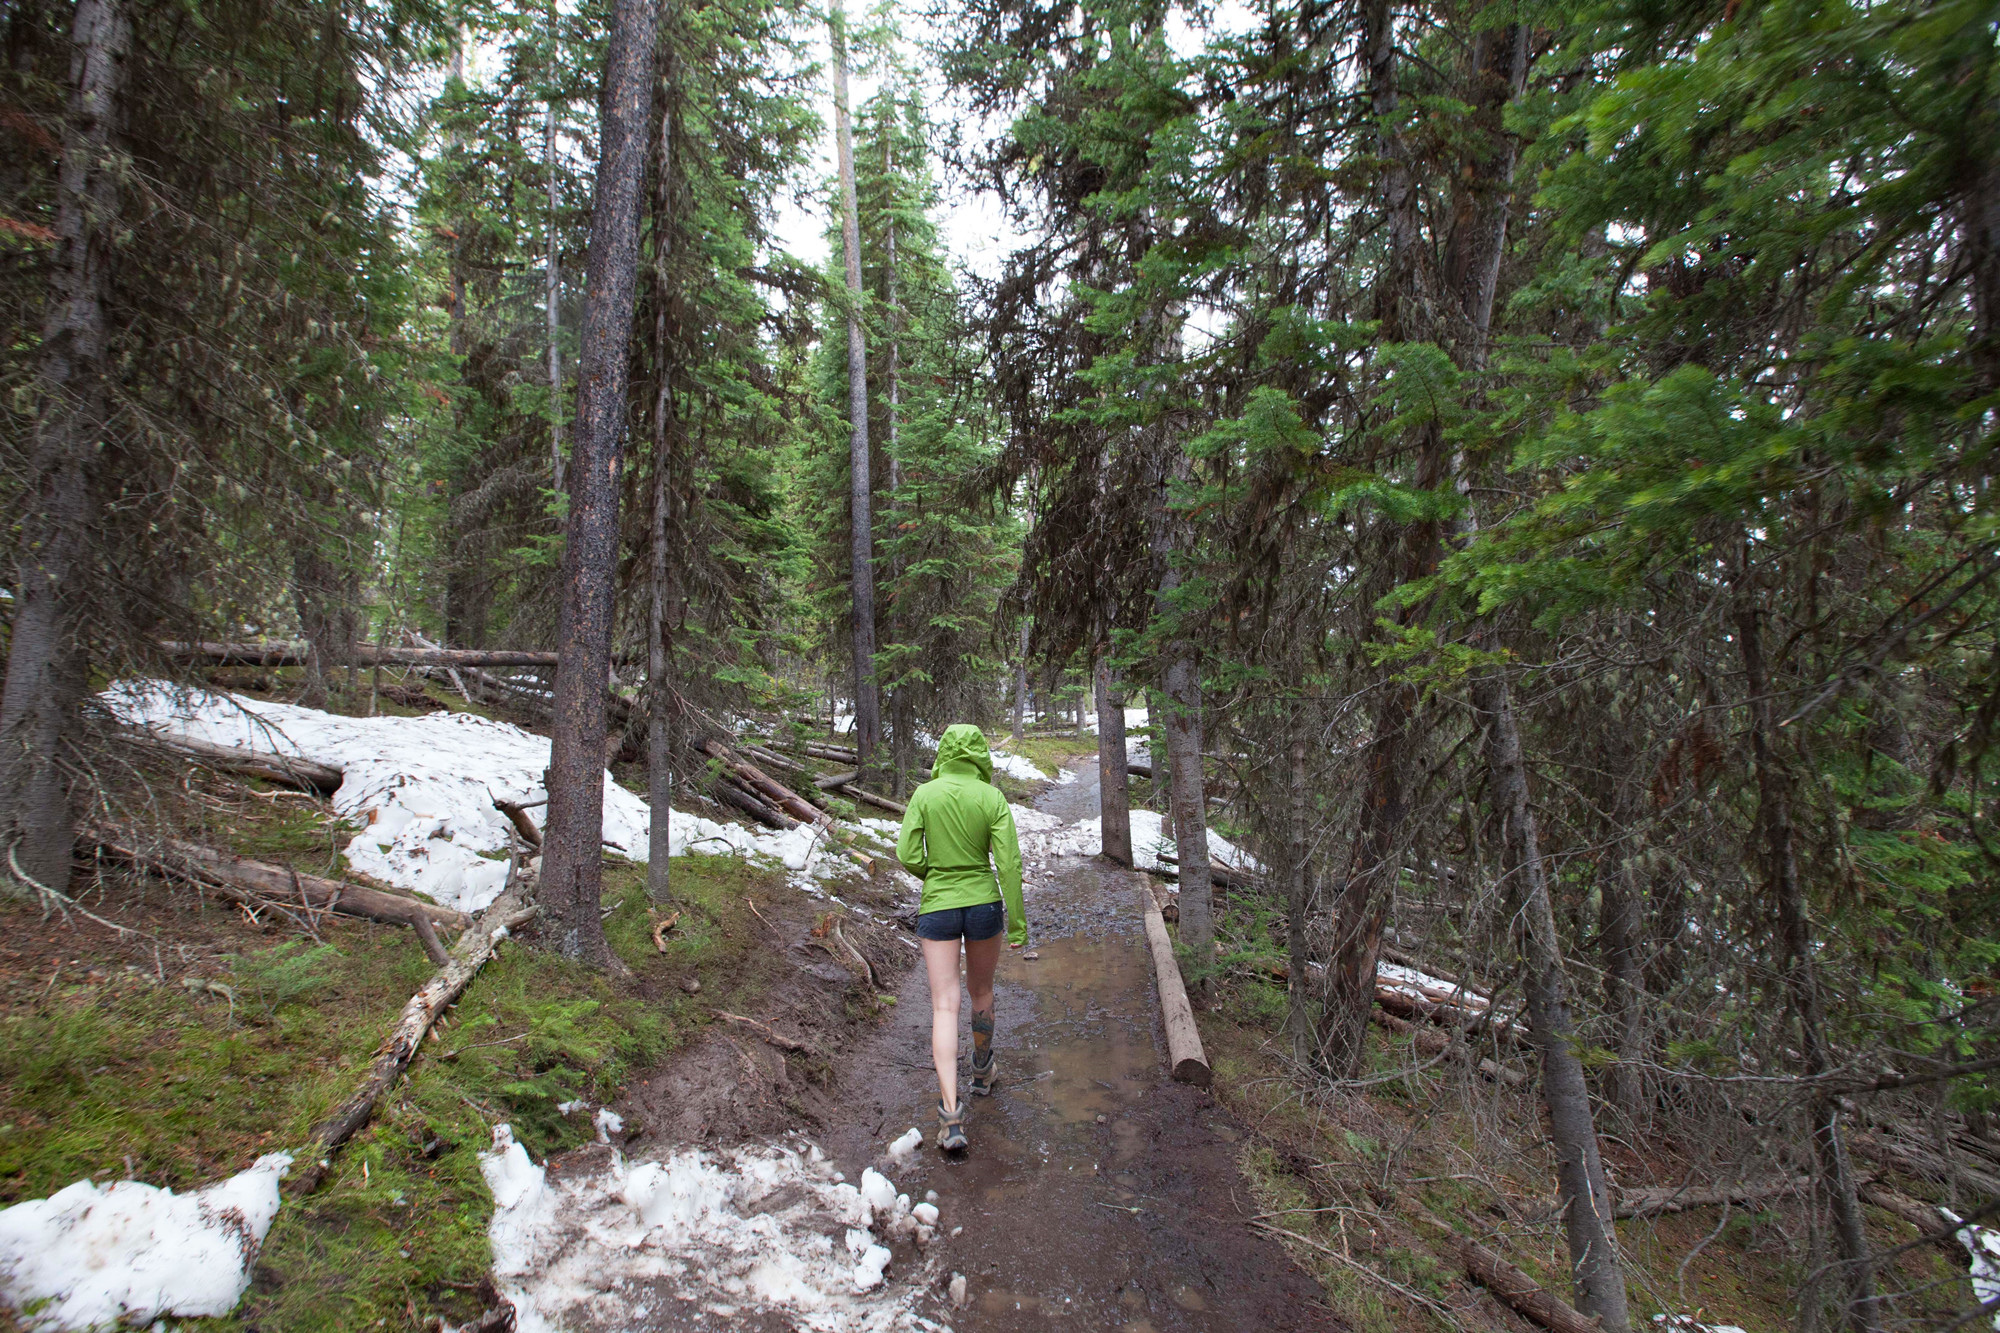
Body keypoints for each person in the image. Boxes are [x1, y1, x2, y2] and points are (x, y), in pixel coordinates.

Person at [895, 724, 1026, 1151]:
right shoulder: (992, 798)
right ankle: (984, 1069)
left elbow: (907, 854)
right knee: (981, 991)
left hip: (938, 906)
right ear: (980, 753)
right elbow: (1008, 865)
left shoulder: (924, 794)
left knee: (944, 1005)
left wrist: (934, 876)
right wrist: (1019, 923)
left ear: (944, 753)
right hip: (985, 904)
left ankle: (951, 1117)